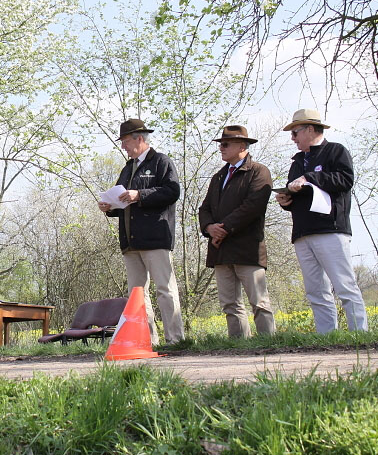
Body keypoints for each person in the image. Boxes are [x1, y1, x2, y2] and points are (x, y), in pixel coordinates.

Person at [275, 108, 368, 333]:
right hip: (302, 232)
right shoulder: (297, 161)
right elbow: (299, 194)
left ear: (309, 129)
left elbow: (345, 180)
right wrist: (286, 200)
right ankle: (326, 337)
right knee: (316, 290)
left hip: (331, 230)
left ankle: (360, 336)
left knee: (344, 285)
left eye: (295, 132)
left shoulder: (335, 151)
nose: (292, 138)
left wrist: (310, 177)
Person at [97, 119, 185, 345]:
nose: (123, 146)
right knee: (137, 295)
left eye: (126, 141)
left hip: (155, 238)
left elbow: (172, 191)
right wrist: (110, 206)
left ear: (139, 138)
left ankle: (175, 339)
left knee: (165, 290)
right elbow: (122, 200)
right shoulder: (128, 168)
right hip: (130, 241)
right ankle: (148, 341)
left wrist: (140, 195)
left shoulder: (161, 162)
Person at [199, 125, 275, 338]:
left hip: (247, 249)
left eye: (225, 144)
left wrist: (223, 228)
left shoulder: (259, 172)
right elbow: (204, 209)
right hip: (221, 250)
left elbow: (253, 206)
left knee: (259, 301)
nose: (221, 148)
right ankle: (238, 347)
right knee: (230, 304)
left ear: (242, 146)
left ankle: (269, 345)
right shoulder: (217, 177)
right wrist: (209, 228)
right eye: (220, 144)